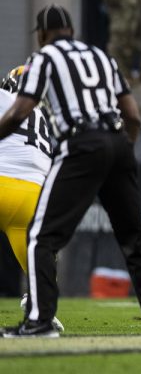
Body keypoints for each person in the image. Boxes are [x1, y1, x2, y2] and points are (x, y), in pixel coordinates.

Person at [0, 5, 141, 337]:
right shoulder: (101, 57)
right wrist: (125, 150)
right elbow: (133, 115)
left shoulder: (44, 59)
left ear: (41, 34)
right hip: (117, 140)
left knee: (42, 237)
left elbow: (19, 111)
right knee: (134, 241)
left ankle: (39, 322)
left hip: (81, 144)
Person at [0, 67, 63, 333]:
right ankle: (40, 309)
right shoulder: (50, 118)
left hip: (2, 181)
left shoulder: (4, 99)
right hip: (34, 198)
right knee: (42, 264)